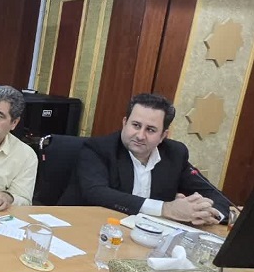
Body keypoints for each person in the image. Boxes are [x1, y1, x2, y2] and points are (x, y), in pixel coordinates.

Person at [59, 93, 229, 225]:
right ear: (124, 123)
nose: (140, 135)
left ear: (163, 135)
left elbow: (216, 196)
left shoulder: (175, 154)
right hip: (87, 228)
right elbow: (97, 193)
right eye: (136, 125)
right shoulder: (98, 149)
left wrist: (207, 213)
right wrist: (166, 209)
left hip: (145, 238)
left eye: (150, 130)